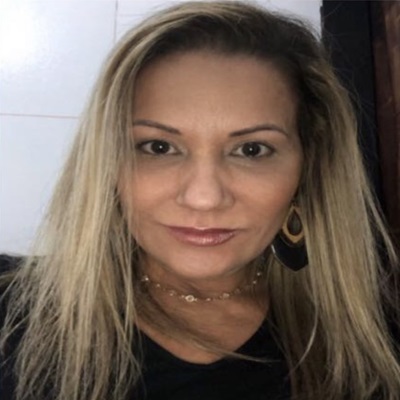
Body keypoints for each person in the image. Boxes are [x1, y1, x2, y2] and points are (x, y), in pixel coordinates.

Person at [1, 1, 399, 399]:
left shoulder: (373, 347)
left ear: (308, 164)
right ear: (108, 162)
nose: (204, 198)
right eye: (159, 147)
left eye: (252, 150)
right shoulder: (10, 315)